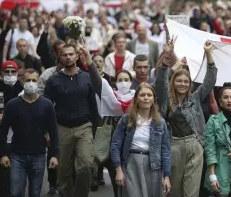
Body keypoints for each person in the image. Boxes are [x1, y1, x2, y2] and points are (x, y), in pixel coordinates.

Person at [156, 38, 217, 197]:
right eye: (179, 81)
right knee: (174, 192)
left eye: (186, 81)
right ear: (173, 82)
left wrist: (209, 54)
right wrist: (167, 57)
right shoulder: (166, 100)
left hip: (194, 146)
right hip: (173, 146)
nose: (182, 84)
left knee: (191, 192)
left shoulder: (195, 98)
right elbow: (160, 80)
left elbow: (210, 81)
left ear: (190, 84)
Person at [44, 44, 100, 197]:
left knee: (86, 166)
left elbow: (93, 104)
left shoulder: (86, 77)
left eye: (71, 54)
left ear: (77, 56)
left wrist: (97, 127)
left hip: (84, 127)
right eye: (65, 55)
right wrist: (47, 131)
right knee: (63, 171)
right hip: (61, 128)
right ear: (60, 58)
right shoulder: (53, 80)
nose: (68, 57)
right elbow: (46, 108)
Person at [83, 45, 136, 196]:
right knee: (117, 183)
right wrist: (88, 60)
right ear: (115, 82)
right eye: (120, 80)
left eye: (126, 79)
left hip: (133, 146)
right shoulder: (110, 95)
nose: (124, 82)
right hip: (113, 145)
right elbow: (96, 80)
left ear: (131, 82)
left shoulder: (139, 96)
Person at [0, 69, 59, 197]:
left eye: (34, 80)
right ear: (22, 82)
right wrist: (2, 154)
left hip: (39, 155)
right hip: (17, 156)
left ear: (39, 81)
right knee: (16, 192)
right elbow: (3, 131)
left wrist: (54, 155)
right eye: (28, 80)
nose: (31, 83)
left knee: (35, 193)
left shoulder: (47, 105)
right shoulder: (12, 105)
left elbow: (53, 132)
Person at [110, 82, 171, 197]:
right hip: (131, 164)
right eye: (142, 95)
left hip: (153, 166)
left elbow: (165, 151)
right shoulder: (126, 119)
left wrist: (166, 176)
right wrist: (118, 170)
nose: (146, 98)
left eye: (149, 95)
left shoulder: (160, 122)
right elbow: (115, 145)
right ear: (136, 98)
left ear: (154, 99)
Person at [0, 61, 23, 197]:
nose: (10, 75)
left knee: (17, 178)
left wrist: (4, 116)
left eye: (13, 72)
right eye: (7, 72)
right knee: (2, 177)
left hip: (18, 140)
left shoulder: (23, 91)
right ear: (2, 73)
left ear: (17, 73)